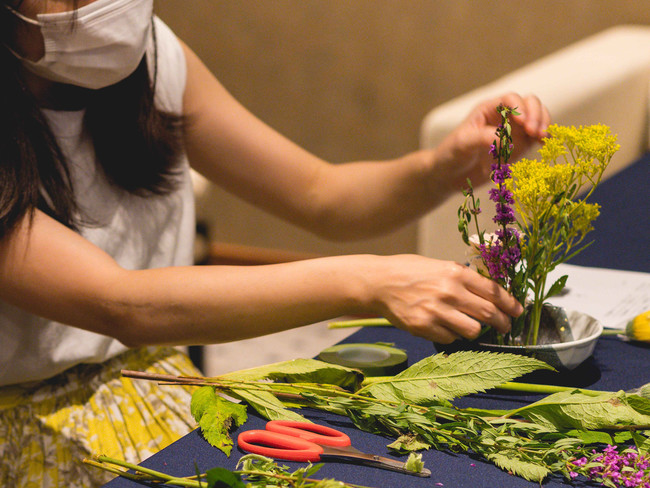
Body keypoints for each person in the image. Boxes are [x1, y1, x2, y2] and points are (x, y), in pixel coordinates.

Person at [0, 0, 550, 485]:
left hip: (150, 379)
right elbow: (118, 303)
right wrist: (367, 280)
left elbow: (322, 195)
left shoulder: (152, 58)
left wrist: (441, 168)